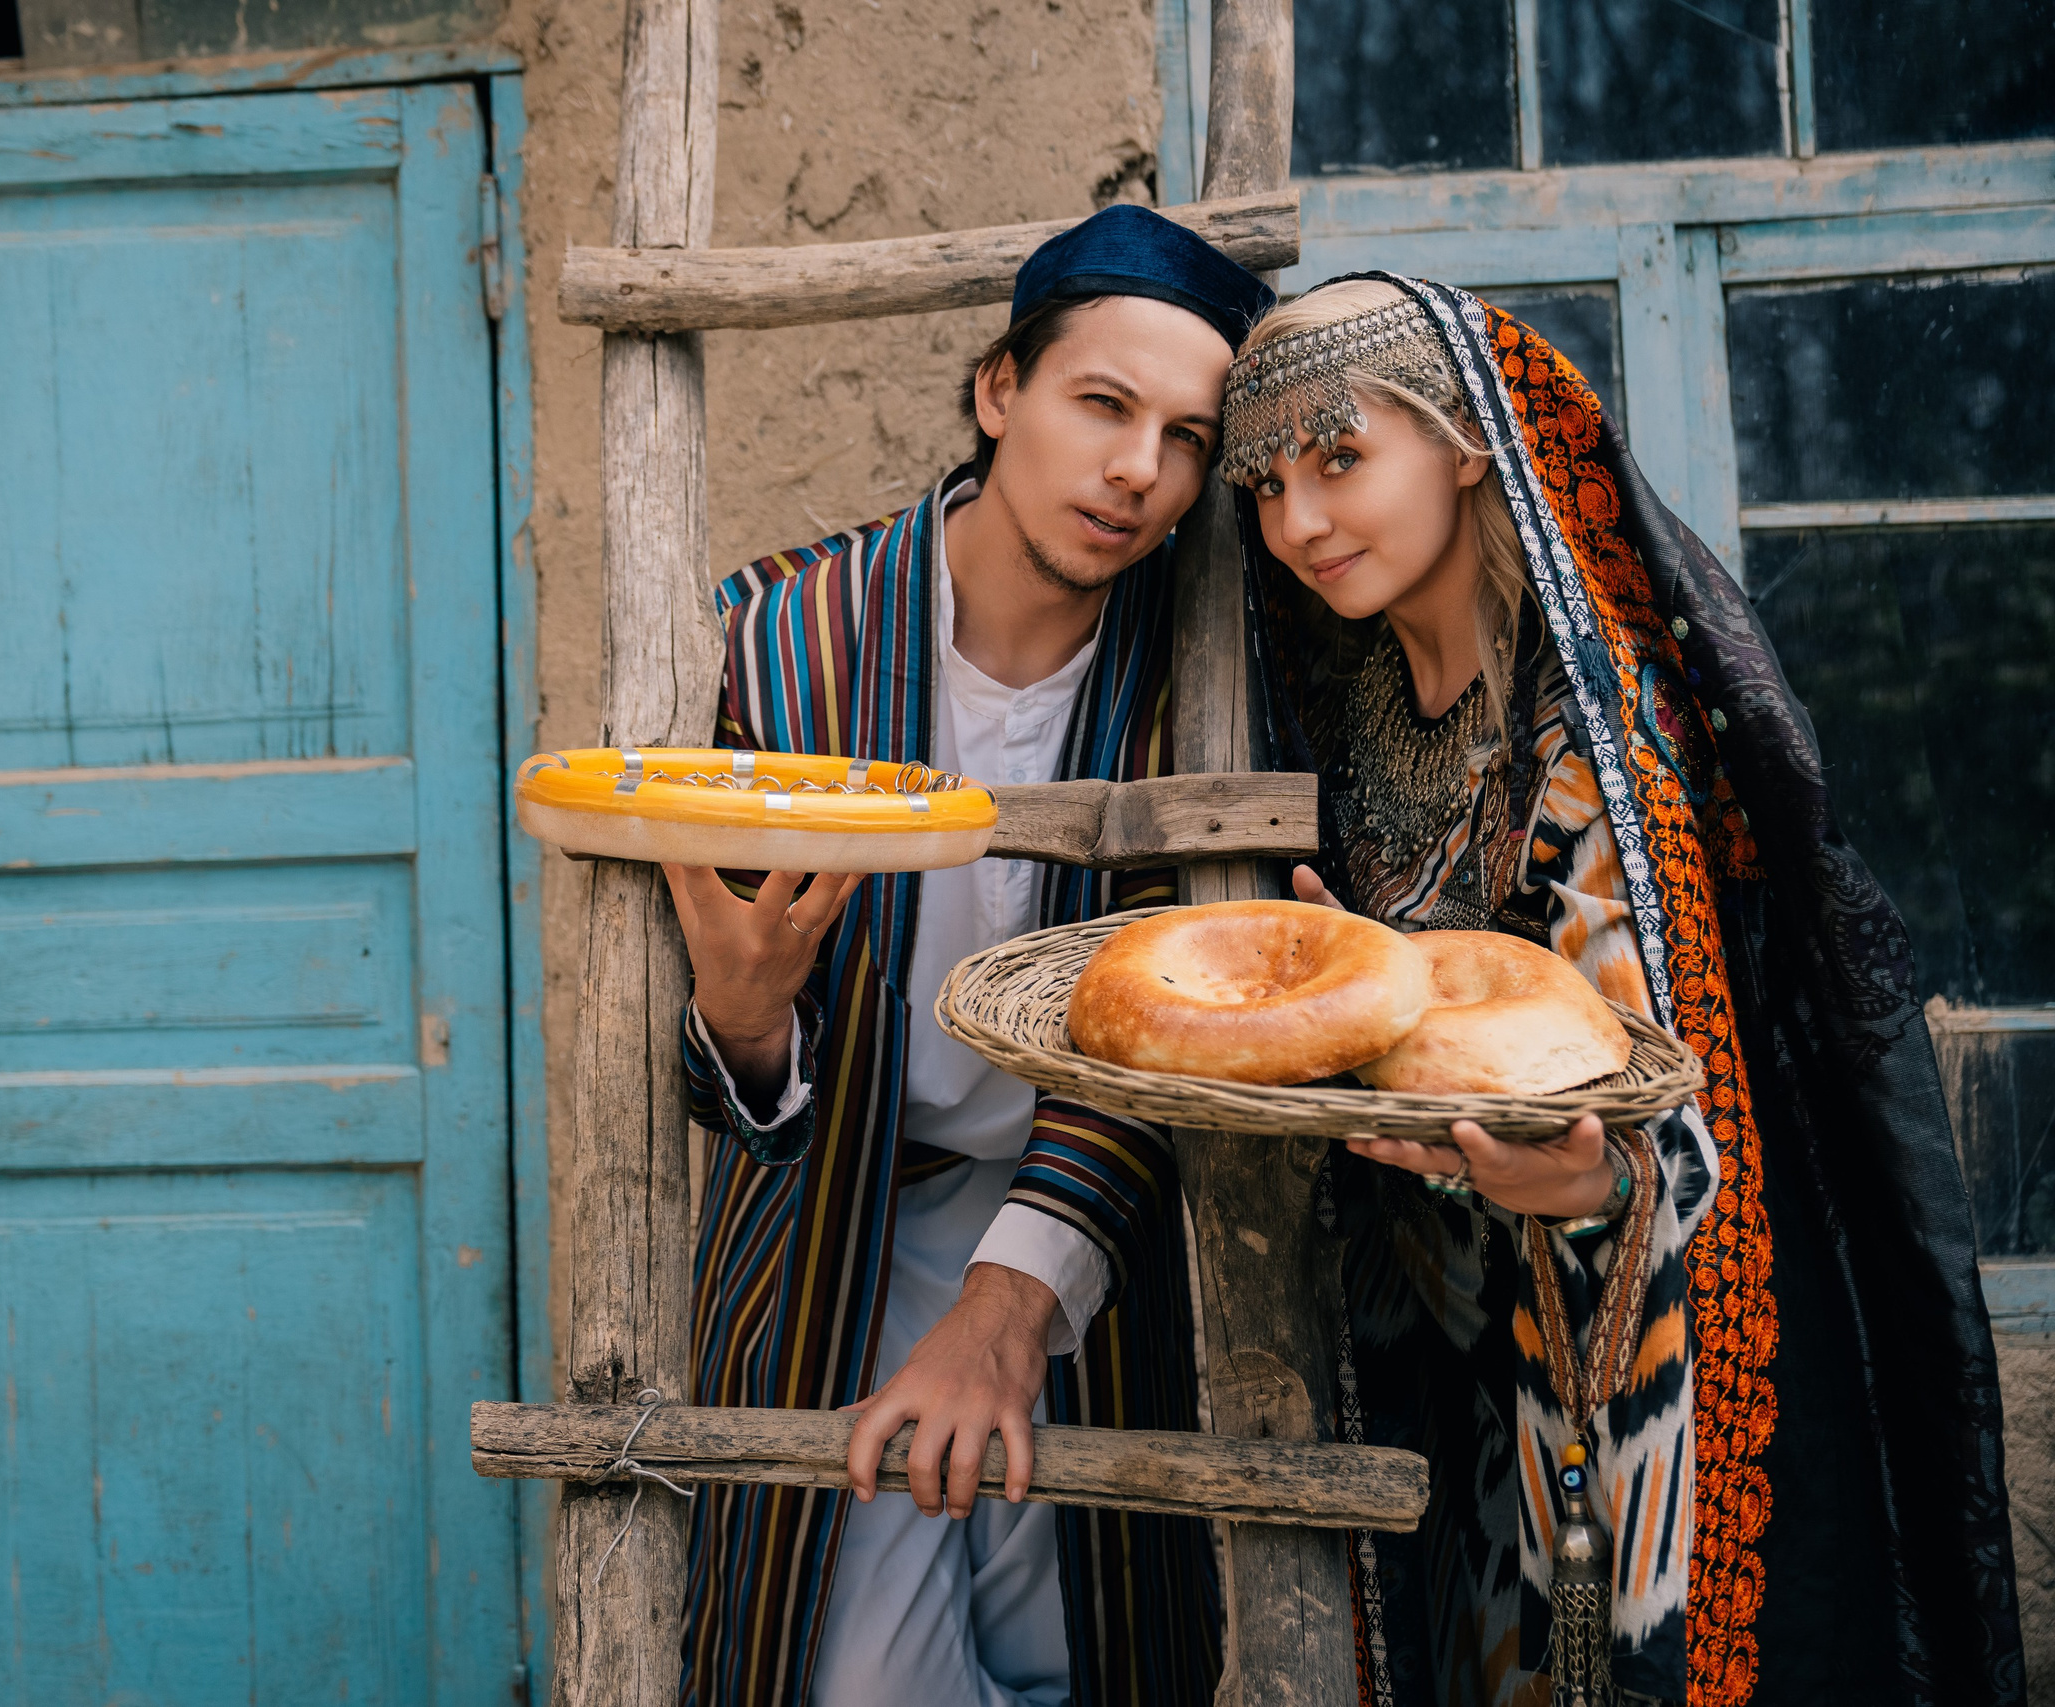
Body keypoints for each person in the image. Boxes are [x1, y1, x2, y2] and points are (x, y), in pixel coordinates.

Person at [1220, 274, 2026, 1706]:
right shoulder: (1346, 727)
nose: (1299, 523)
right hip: (1454, 1371)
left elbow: (1671, 1116)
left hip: (1646, 1387)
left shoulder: (1602, 732)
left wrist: (1587, 1185)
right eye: (1269, 484)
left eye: (1341, 458)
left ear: (1467, 438)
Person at [665, 204, 1269, 1707]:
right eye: (1103, 404)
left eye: (1188, 438)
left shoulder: (1201, 683)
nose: (1140, 470)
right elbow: (730, 1037)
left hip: (1096, 1228)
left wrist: (1008, 1312)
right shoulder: (774, 638)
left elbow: (1177, 1016)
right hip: (840, 1221)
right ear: (1001, 390)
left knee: (1087, 1649)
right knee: (858, 1678)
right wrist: (742, 1022)